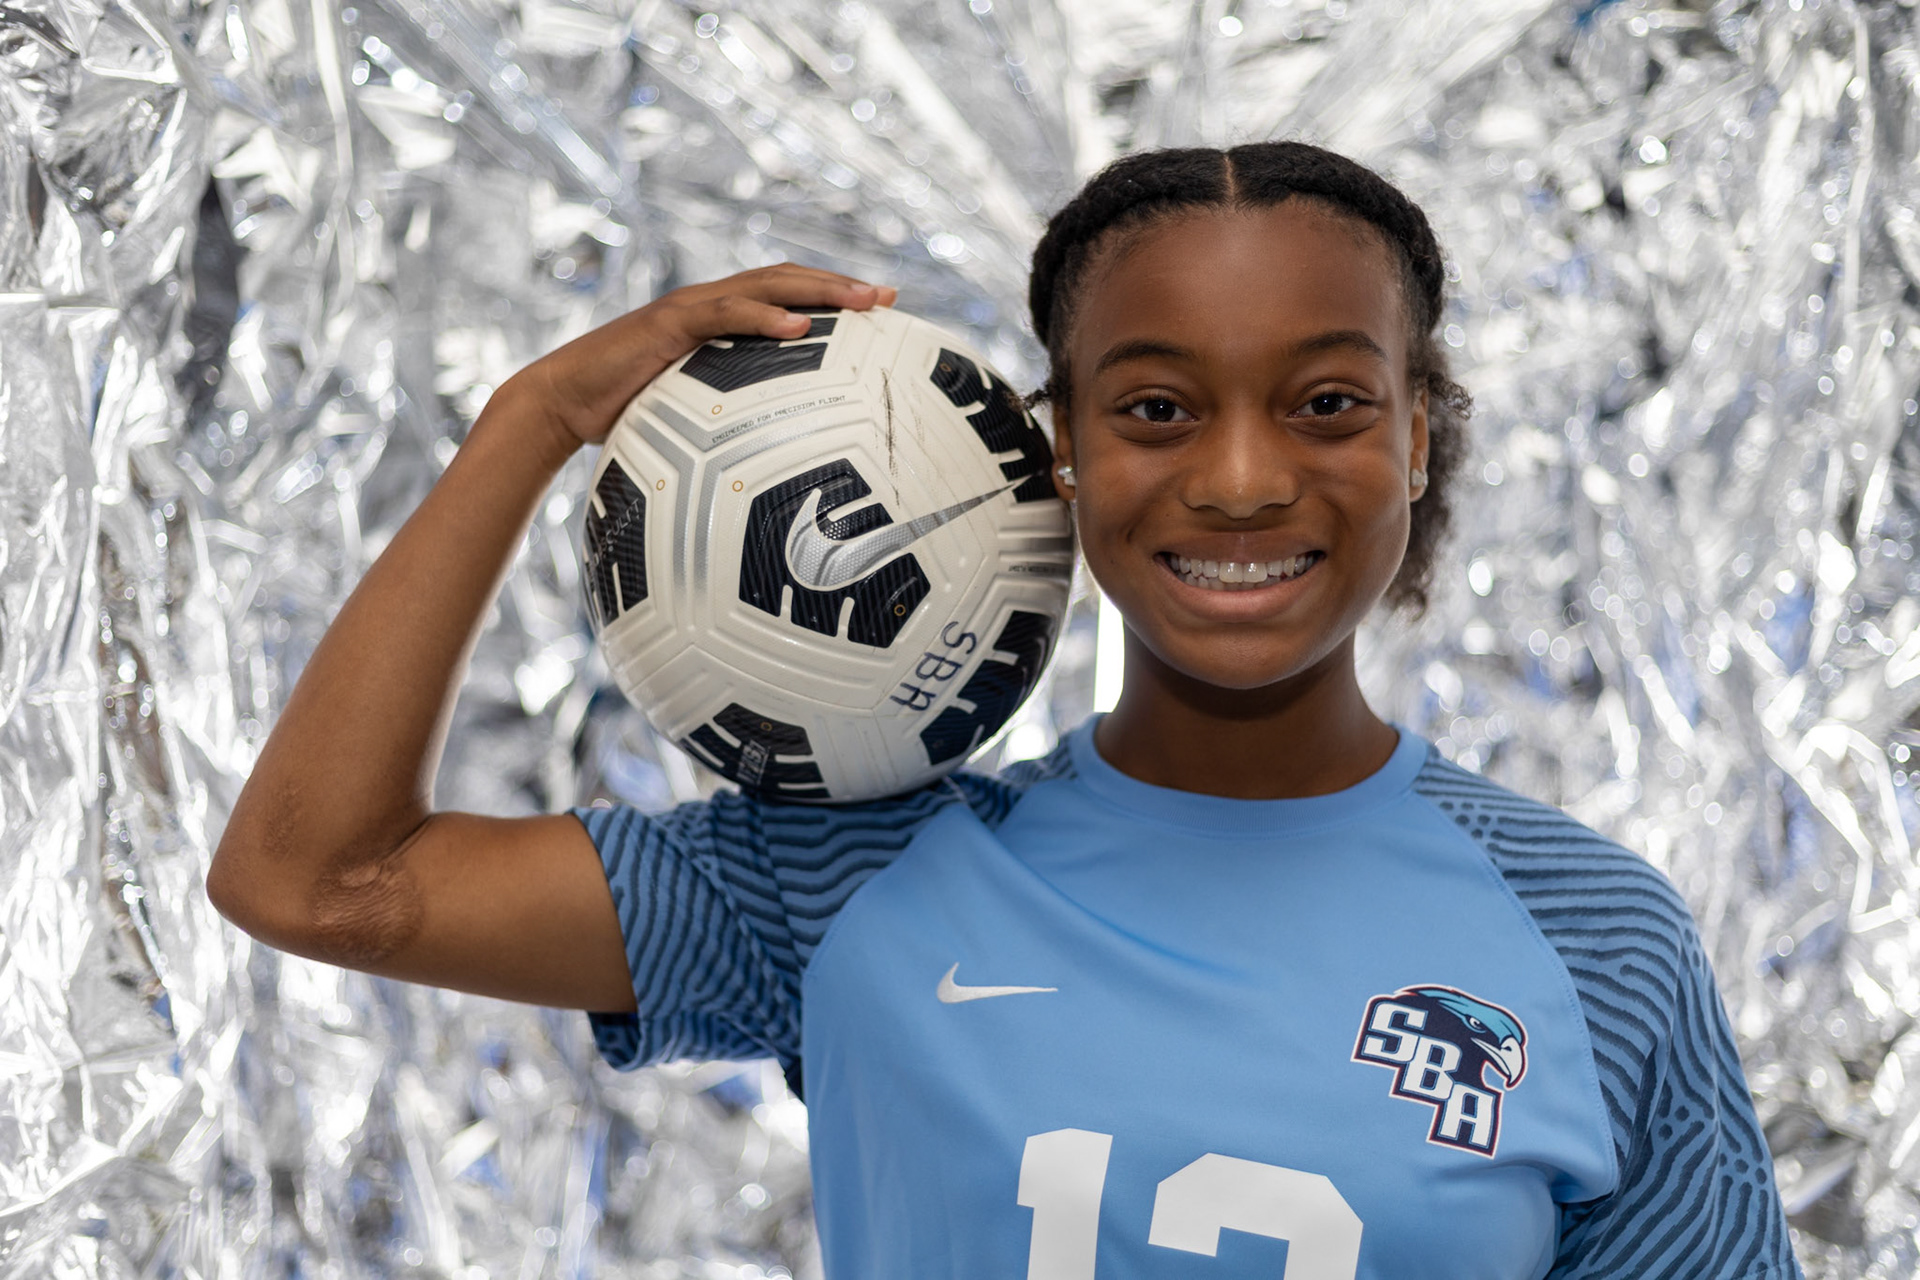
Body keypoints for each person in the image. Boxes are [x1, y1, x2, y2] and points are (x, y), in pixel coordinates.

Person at [209, 141, 1801, 1279]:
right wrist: (538, 416)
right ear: (1052, 453)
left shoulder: (1594, 940)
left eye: (1327, 404)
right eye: (1158, 408)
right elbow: (314, 876)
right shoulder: (853, 880)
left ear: (1419, 442)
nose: (1241, 480)